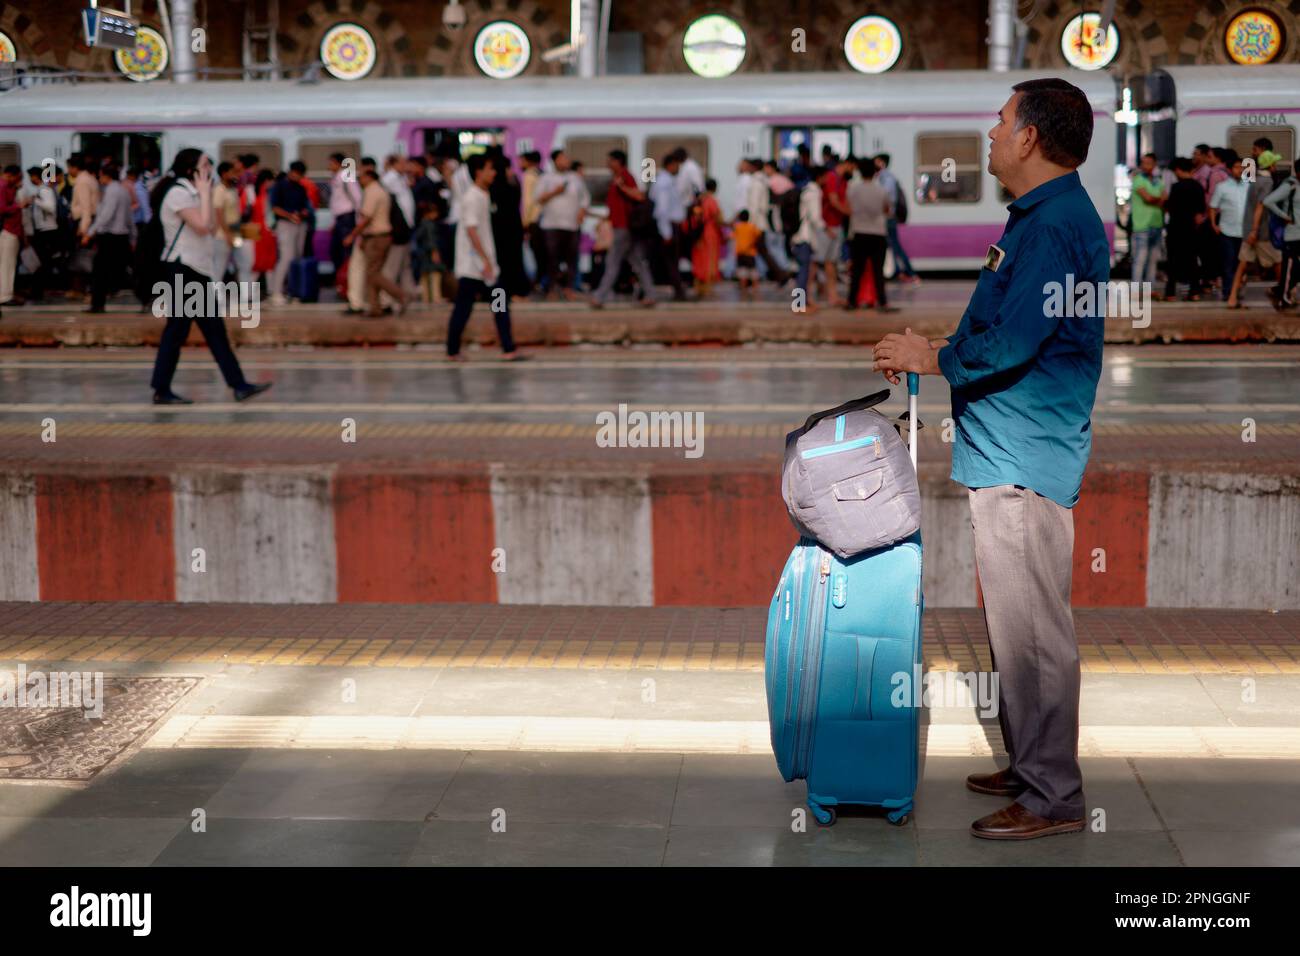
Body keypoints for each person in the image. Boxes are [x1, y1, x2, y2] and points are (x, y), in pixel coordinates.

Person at [874, 77, 1107, 841]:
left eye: (1002, 120)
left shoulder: (1051, 227)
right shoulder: (1051, 216)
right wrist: (940, 349)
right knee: (1014, 624)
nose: (992, 131)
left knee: (1034, 630)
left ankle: (1052, 795)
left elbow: (1015, 341)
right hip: (1011, 446)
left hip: (1023, 453)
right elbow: (1008, 325)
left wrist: (929, 356)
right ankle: (1031, 762)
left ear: (1031, 137)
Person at [148, 149, 271, 405]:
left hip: (198, 270)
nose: (210, 168)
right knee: (177, 331)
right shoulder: (178, 193)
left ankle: (238, 384)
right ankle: (161, 389)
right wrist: (205, 193)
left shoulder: (191, 193)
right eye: (205, 164)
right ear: (191, 169)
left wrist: (204, 195)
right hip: (182, 269)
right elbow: (203, 226)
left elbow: (211, 227)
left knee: (214, 330)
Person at [446, 154, 523, 362]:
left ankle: (507, 347)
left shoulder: (483, 195)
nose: (494, 173)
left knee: (498, 305)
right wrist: (485, 260)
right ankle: (453, 350)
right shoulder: (472, 197)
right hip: (475, 266)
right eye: (490, 169)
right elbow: (471, 231)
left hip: (485, 266)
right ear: (478, 172)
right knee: (466, 307)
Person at [590, 149, 657, 308]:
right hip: (621, 226)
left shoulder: (625, 176)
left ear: (617, 162)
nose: (607, 164)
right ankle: (650, 294)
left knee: (612, 261)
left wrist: (622, 187)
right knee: (638, 263)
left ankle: (599, 296)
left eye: (610, 160)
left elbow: (639, 196)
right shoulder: (618, 178)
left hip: (624, 228)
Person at [345, 166, 409, 318]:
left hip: (377, 237)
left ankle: (400, 295)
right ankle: (375, 308)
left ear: (369, 177)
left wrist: (352, 236)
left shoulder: (372, 192)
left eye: (361, 177)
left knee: (373, 273)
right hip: (380, 237)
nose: (359, 181)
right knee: (372, 273)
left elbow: (366, 218)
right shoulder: (380, 190)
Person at [1228, 143, 1282, 308]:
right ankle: (1284, 295)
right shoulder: (1267, 182)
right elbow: (1260, 206)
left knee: (1243, 264)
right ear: (1271, 165)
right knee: (1279, 262)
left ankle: (1232, 298)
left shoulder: (1254, 181)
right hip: (1261, 232)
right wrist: (1255, 230)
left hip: (1249, 230)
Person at [535, 149, 588, 300]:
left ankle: (569, 288)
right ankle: (552, 288)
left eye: (567, 158)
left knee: (571, 259)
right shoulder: (546, 178)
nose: (566, 161)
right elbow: (538, 198)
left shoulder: (575, 178)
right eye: (562, 158)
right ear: (555, 160)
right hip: (551, 225)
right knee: (552, 258)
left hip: (572, 225)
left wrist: (582, 211)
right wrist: (554, 192)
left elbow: (585, 198)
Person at [82, 162, 134, 313]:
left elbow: (106, 215)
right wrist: (133, 237)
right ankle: (145, 297)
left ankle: (97, 304)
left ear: (106, 176)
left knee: (99, 271)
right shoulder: (124, 191)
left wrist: (90, 233)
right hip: (122, 236)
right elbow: (129, 217)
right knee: (123, 268)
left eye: (101, 175)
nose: (99, 178)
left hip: (109, 237)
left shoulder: (111, 191)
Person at [847, 156, 894, 312]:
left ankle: (852, 301)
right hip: (877, 234)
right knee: (877, 270)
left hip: (859, 233)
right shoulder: (881, 190)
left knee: (857, 271)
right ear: (875, 172)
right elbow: (887, 210)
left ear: (860, 172)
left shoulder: (853, 189)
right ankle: (883, 302)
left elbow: (849, 207)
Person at [268, 161, 312, 305]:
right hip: (285, 225)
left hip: (299, 225)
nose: (299, 177)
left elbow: (305, 206)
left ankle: (294, 291)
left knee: (296, 259)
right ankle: (276, 292)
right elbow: (274, 208)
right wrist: (290, 216)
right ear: (291, 172)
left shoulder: (301, 188)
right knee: (286, 258)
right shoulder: (279, 186)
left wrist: (302, 213)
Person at [487, 147, 529, 297]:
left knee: (504, 261)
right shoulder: (511, 183)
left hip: (501, 230)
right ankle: (512, 291)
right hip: (511, 229)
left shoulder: (494, 186)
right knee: (512, 261)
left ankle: (503, 293)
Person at [1162, 157, 1205, 302]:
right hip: (1192, 230)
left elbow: (1170, 208)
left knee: (1173, 262)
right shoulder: (1198, 187)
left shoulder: (1176, 187)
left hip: (1176, 229)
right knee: (1192, 261)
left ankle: (1170, 293)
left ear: (1178, 170)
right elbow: (1200, 212)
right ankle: (1195, 292)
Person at [1208, 150, 1248, 302]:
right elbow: (1213, 206)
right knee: (1228, 263)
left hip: (1243, 231)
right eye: (1236, 167)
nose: (1239, 170)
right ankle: (1228, 292)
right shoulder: (1222, 187)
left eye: (1241, 167)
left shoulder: (1248, 187)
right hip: (1227, 231)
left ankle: (1237, 291)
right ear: (1230, 170)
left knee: (1241, 265)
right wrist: (1214, 224)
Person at [649, 152, 688, 301]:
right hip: (668, 227)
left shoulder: (665, 181)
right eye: (677, 165)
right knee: (671, 261)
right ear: (670, 165)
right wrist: (666, 233)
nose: (678, 168)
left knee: (663, 260)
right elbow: (662, 210)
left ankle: (647, 290)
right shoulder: (664, 183)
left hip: (668, 226)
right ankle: (678, 291)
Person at [875, 153, 919, 285]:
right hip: (887, 217)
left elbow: (888, 199)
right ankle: (900, 272)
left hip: (888, 218)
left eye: (876, 161)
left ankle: (909, 272)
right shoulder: (884, 178)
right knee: (893, 246)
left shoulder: (886, 178)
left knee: (894, 246)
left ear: (882, 163)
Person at [1263, 162, 1300, 310]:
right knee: (1290, 267)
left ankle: (1278, 291)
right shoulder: (1290, 185)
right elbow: (1268, 201)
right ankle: (1283, 298)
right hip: (1292, 234)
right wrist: (1284, 216)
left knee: (1295, 268)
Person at [790, 166, 827, 312]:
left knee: (803, 272)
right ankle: (798, 305)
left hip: (800, 236)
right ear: (820, 177)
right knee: (803, 272)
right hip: (804, 237)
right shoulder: (813, 193)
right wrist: (826, 229)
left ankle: (803, 303)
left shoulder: (806, 190)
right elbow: (814, 217)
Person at [1129, 152, 1165, 292]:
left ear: (1154, 164)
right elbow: (1148, 198)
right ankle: (1136, 289)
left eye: (1148, 163)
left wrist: (1155, 199)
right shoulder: (1138, 180)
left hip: (1156, 223)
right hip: (1141, 225)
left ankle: (1150, 289)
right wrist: (1158, 199)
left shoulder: (1158, 181)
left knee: (1152, 261)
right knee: (1140, 259)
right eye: (1143, 163)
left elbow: (1164, 198)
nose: (1145, 166)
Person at [24, 166, 59, 302]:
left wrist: (35, 201)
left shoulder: (44, 190)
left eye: (31, 177)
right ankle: (37, 291)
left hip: (48, 230)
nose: (30, 180)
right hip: (43, 230)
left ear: (35, 177)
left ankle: (37, 291)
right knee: (42, 262)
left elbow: (50, 208)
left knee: (42, 263)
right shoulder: (41, 190)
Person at [819, 156, 849, 306]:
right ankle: (802, 302)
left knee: (830, 262)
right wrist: (849, 212)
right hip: (828, 226)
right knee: (812, 266)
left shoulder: (840, 180)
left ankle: (831, 296)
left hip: (833, 225)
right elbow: (833, 200)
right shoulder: (832, 178)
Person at [327, 152, 362, 278]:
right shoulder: (336, 177)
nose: (329, 166)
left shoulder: (346, 175)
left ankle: (348, 281)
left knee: (345, 252)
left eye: (331, 163)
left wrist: (358, 219)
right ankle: (341, 280)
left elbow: (357, 197)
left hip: (347, 218)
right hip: (340, 219)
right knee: (335, 251)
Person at [690, 178, 724, 299]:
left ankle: (698, 286)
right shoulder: (711, 201)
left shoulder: (699, 200)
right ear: (715, 188)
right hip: (710, 233)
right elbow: (717, 218)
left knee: (699, 259)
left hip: (697, 234)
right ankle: (707, 288)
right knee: (709, 260)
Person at [210, 161, 244, 282]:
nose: (236, 175)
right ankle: (216, 297)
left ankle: (246, 294)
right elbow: (219, 214)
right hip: (223, 234)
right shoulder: (219, 190)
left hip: (235, 232)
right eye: (233, 172)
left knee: (243, 262)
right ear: (224, 174)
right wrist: (227, 234)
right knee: (220, 266)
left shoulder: (231, 189)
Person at [0, 165, 28, 306]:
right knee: (7, 264)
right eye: (19, 177)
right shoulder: (3, 186)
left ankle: (6, 294)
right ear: (12, 175)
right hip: (9, 230)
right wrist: (20, 206)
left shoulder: (6, 186)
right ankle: (5, 296)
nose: (19, 180)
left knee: (7, 264)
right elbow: (2, 208)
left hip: (10, 230)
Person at [410, 196, 446, 305]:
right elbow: (431, 240)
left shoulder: (421, 224)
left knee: (424, 276)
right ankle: (436, 297)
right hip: (430, 253)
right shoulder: (430, 225)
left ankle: (425, 297)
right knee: (435, 275)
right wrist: (435, 252)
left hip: (422, 254)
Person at [732, 210, 761, 300]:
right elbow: (758, 235)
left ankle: (743, 290)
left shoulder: (737, 227)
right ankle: (755, 289)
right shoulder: (752, 227)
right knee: (753, 272)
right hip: (750, 253)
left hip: (740, 253)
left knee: (742, 273)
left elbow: (731, 235)